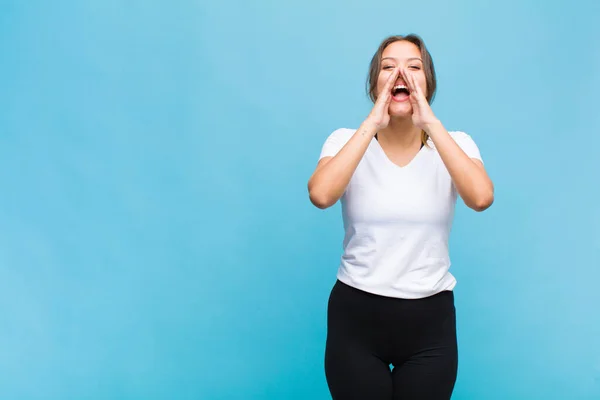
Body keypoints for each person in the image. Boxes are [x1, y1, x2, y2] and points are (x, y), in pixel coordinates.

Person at [307, 34, 494, 399]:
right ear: (375, 83)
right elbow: (321, 194)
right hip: (356, 319)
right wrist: (372, 123)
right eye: (388, 67)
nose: (400, 75)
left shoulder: (456, 144)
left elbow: (481, 197)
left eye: (413, 67)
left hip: (430, 324)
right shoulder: (344, 140)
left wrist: (431, 124)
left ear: (428, 83)